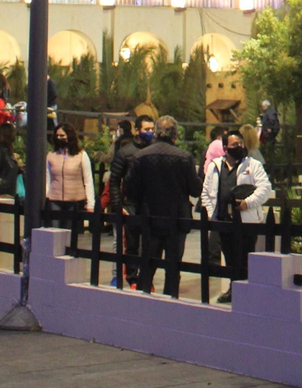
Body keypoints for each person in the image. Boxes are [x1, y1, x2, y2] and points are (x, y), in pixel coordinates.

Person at [122, 115, 200, 298]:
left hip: (150, 219)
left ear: (156, 133)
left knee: (147, 267)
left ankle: (144, 302)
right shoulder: (184, 157)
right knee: (173, 269)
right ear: (175, 134)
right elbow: (196, 189)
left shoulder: (141, 156)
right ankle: (171, 303)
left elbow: (129, 189)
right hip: (177, 220)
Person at [199, 129, 273, 303]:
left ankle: (247, 292)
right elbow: (206, 193)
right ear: (225, 148)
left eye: (241, 143)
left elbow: (265, 189)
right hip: (224, 222)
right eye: (234, 144)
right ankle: (234, 289)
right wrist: (210, 214)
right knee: (230, 258)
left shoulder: (253, 165)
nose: (239, 146)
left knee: (245, 258)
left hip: (246, 222)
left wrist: (247, 203)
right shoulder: (215, 166)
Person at [110, 115, 151, 287]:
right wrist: (118, 205)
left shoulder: (155, 151)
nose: (150, 132)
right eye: (147, 129)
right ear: (137, 130)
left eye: (152, 129)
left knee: (149, 245)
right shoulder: (125, 153)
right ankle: (133, 278)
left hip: (151, 204)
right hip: (131, 204)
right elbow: (114, 181)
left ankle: (147, 278)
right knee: (132, 244)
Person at [44, 123, 95, 226]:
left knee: (70, 230)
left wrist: (90, 204)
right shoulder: (51, 155)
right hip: (55, 199)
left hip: (74, 200)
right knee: (54, 229)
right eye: (57, 136)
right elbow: (47, 178)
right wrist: (47, 195)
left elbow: (88, 180)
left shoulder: (81, 155)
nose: (59, 138)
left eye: (62, 135)